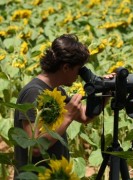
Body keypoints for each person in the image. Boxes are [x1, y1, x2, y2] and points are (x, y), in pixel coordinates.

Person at [13, 34, 114, 178]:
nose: (78, 75)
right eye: (78, 69)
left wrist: (105, 94)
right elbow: (34, 147)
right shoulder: (33, 92)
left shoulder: (56, 90)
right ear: (66, 67)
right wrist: (67, 115)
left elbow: (85, 116)